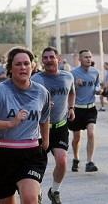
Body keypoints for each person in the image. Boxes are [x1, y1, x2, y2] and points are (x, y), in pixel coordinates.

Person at [0, 47, 50, 204]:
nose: (23, 67)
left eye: (26, 63)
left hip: (31, 153)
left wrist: (45, 143)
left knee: (29, 198)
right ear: (10, 67)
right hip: (2, 154)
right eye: (18, 64)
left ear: (33, 66)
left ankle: (35, 192)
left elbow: (44, 117)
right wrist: (9, 123)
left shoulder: (41, 92)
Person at [31, 46, 75, 204]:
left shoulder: (68, 76)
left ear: (58, 58)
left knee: (62, 161)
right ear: (42, 60)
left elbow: (71, 92)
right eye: (45, 57)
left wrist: (71, 108)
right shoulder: (36, 79)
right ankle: (37, 191)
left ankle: (54, 191)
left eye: (51, 57)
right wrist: (41, 105)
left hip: (60, 126)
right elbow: (28, 99)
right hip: (40, 128)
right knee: (37, 166)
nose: (48, 60)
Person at [69, 49, 101, 173]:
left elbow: (97, 84)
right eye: (86, 57)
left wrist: (98, 89)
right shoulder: (73, 73)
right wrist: (75, 85)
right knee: (77, 137)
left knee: (91, 133)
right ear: (80, 59)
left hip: (90, 108)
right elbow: (67, 90)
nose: (89, 59)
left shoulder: (95, 71)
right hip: (77, 108)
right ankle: (76, 159)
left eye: (90, 57)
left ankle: (89, 162)